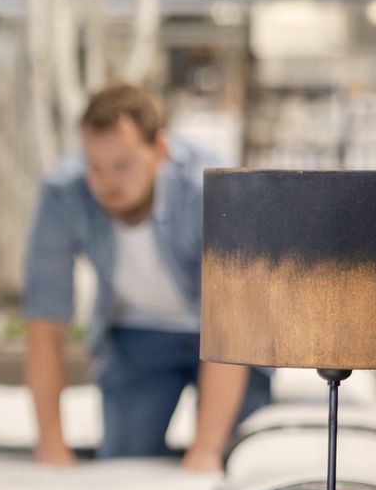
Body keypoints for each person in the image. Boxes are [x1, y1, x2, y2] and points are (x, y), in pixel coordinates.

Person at [23, 84, 269, 470]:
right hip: (136, 336)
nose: (107, 183)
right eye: (95, 167)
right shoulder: (63, 194)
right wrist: (50, 444)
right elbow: (45, 321)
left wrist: (205, 449)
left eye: (123, 166)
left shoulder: (213, 187)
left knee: (237, 463)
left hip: (222, 340)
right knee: (124, 468)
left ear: (160, 150)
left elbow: (233, 321)